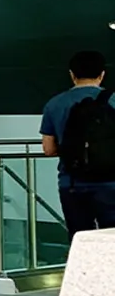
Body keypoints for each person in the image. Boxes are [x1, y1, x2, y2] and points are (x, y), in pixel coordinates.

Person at [40, 50, 115, 238]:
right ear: (102, 74)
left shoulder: (54, 104)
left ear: (72, 75)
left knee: (80, 238)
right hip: (111, 183)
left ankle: (83, 268)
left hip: (72, 183)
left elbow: (48, 149)